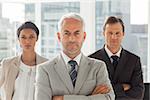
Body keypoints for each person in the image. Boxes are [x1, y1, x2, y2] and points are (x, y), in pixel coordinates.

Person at [35, 13, 115, 100]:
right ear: (59, 36)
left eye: (77, 33)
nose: (71, 39)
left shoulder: (98, 67)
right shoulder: (45, 70)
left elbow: (109, 97)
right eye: (66, 33)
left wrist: (63, 98)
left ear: (84, 36)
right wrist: (91, 97)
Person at [89, 16, 144, 100]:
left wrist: (106, 93)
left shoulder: (134, 61)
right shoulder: (91, 60)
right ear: (103, 33)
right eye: (110, 33)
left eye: (117, 33)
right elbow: (90, 94)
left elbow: (138, 94)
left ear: (123, 34)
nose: (113, 37)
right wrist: (122, 87)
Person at [0, 21, 48, 100]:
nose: (27, 41)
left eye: (31, 37)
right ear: (19, 39)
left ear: (37, 38)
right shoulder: (7, 64)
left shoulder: (47, 65)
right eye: (23, 37)